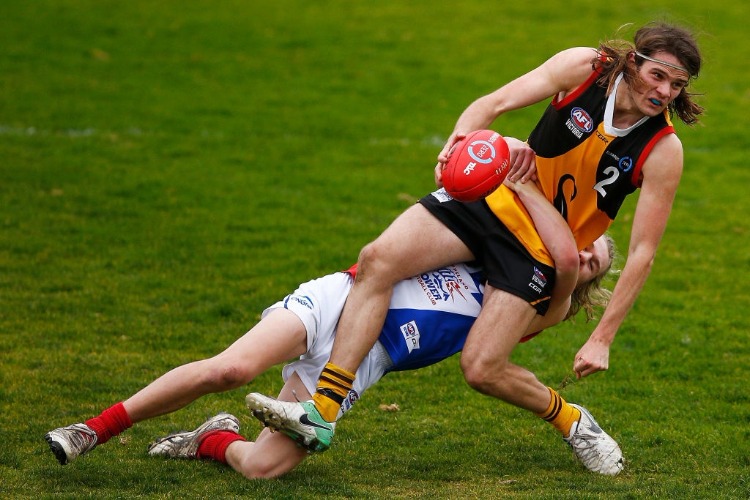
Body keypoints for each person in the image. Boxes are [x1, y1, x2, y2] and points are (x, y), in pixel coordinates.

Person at [247, 21, 703, 476]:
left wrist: (602, 337)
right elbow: (495, 103)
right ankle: (323, 409)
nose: (664, 91)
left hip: (541, 248)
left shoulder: (662, 150)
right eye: (657, 75)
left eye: (676, 84)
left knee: (482, 369)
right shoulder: (584, 68)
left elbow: (643, 252)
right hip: (495, 197)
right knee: (377, 260)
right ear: (633, 61)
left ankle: (574, 421)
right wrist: (455, 151)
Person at [44, 181, 616, 478]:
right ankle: (93, 429)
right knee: (232, 368)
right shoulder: (489, 239)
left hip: (365, 363)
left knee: (263, 468)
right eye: (588, 243)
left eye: (597, 262)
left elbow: (561, 275)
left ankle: (210, 440)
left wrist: (564, 265)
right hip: (339, 302)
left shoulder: (537, 304)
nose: (586, 255)